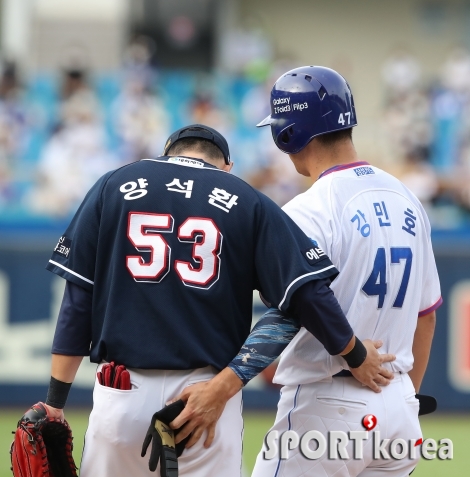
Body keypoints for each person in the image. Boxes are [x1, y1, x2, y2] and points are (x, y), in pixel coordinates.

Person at [39, 122, 395, 477]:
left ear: (167, 154)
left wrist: (55, 403)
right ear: (227, 165)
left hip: (120, 391)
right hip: (207, 399)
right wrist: (355, 355)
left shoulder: (113, 185)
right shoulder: (246, 198)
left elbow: (77, 301)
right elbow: (307, 293)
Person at [246, 66, 440, 476]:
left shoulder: (308, 209)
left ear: (289, 133)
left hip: (328, 401)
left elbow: (287, 311)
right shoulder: (407, 197)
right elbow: (427, 315)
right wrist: (403, 399)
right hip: (399, 401)